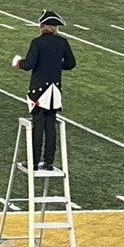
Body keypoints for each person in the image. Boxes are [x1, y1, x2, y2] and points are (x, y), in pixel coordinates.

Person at [14, 10, 76, 170]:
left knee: (38, 124)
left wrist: (18, 63)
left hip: (39, 89)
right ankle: (49, 161)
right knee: (50, 125)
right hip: (55, 89)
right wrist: (55, 64)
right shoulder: (62, 42)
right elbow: (70, 63)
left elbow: (29, 65)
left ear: (42, 26)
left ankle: (34, 161)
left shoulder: (37, 42)